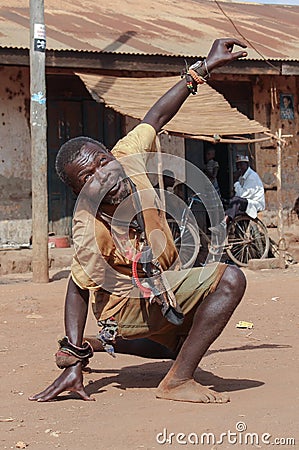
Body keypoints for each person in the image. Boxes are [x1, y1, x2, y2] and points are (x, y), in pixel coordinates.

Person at [29, 38, 247, 404]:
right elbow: (78, 286)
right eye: (89, 177)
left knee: (183, 338)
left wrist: (204, 67)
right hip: (124, 306)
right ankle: (175, 381)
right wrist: (74, 362)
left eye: (103, 161)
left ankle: (104, 342)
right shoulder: (88, 225)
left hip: (158, 293)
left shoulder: (127, 156)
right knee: (229, 279)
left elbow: (156, 116)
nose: (105, 174)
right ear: (80, 192)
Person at [225, 154, 265, 222]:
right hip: (247, 201)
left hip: (255, 203)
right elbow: (238, 194)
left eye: (241, 165)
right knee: (227, 202)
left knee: (236, 200)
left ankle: (224, 223)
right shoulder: (242, 176)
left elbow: (243, 195)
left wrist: (236, 182)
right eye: (238, 165)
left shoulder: (252, 177)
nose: (239, 167)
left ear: (246, 164)